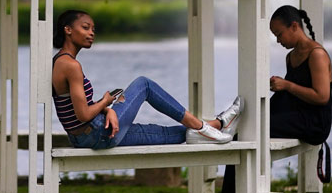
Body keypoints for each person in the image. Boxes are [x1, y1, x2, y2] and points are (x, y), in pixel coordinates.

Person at [208, 4, 332, 193]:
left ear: (294, 26)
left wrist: (286, 86)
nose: (277, 40)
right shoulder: (291, 57)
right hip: (296, 117)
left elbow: (321, 96)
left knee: (247, 133)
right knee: (245, 129)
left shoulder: (317, 54)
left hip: (314, 123)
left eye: (279, 34)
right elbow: (291, 96)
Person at [52, 9, 243, 149]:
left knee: (169, 134)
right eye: (85, 28)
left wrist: (107, 110)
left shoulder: (59, 61)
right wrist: (105, 102)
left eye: (93, 28)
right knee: (144, 84)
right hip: (96, 133)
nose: (91, 33)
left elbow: (77, 108)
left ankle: (217, 124)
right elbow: (83, 115)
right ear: (68, 30)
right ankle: (202, 126)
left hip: (87, 137)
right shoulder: (71, 65)